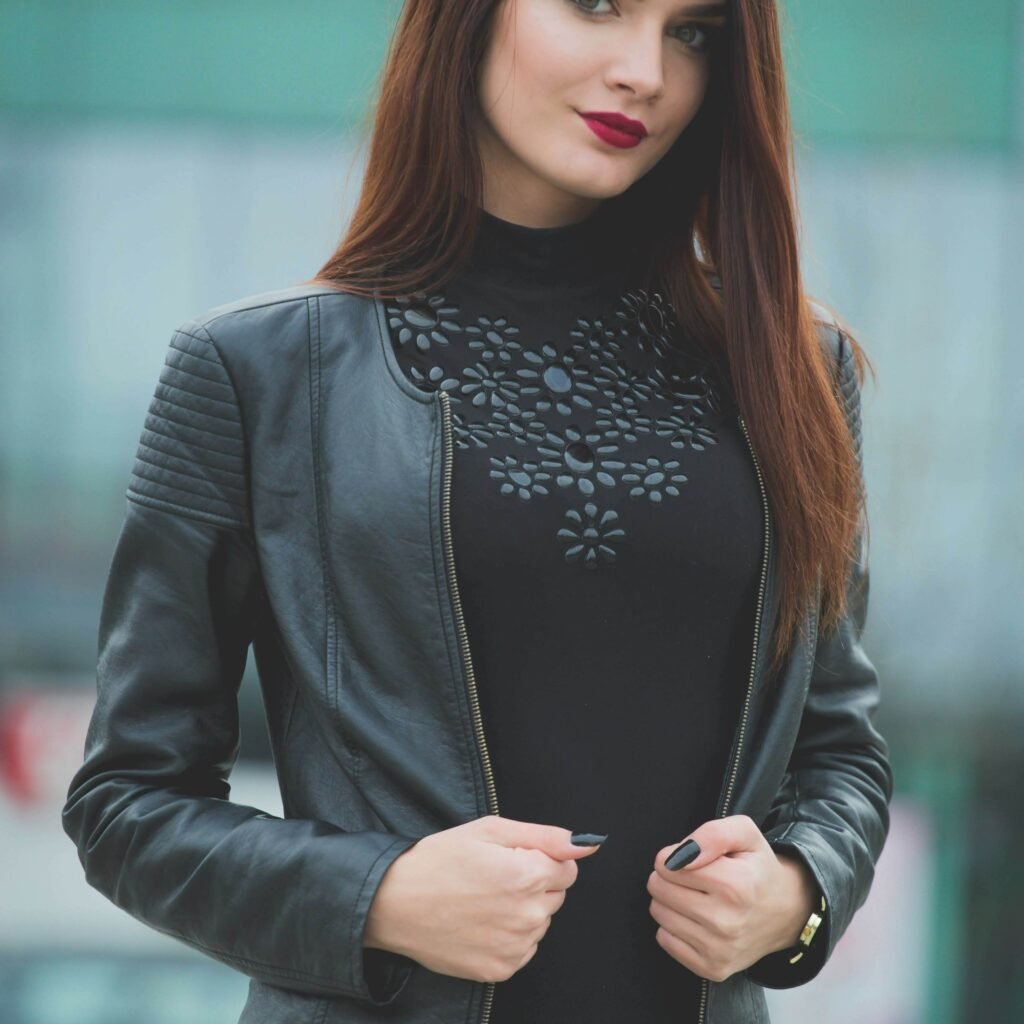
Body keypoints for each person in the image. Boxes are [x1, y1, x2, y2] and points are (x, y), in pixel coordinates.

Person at [62, 1, 894, 1022]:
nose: (646, 72)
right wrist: (376, 896)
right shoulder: (258, 375)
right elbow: (125, 805)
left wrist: (796, 897)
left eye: (694, 33)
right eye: (598, 6)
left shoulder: (795, 372)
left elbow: (838, 751)